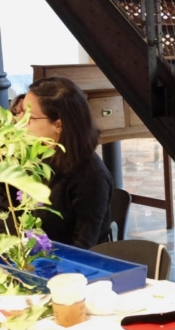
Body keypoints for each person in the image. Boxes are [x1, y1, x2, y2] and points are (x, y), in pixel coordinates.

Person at [18, 77, 113, 249]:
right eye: (21, 111)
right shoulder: (33, 157)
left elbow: (83, 248)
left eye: (30, 117)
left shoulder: (91, 176)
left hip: (69, 268)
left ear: (58, 125)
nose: (21, 122)